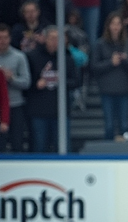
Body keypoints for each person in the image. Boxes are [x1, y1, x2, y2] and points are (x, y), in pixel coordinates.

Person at [25, 26, 80, 152]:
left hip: (60, 111)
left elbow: (76, 81)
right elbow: (26, 82)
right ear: (45, 39)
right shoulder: (32, 57)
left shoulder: (67, 58)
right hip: (38, 111)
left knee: (62, 147)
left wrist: (61, 81)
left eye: (58, 39)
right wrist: (36, 84)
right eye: (52, 38)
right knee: (39, 146)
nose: (55, 42)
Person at [91, 13, 128, 141]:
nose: (116, 27)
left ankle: (127, 152)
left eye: (118, 24)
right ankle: (108, 153)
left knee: (124, 124)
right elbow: (94, 67)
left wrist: (125, 61)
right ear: (108, 26)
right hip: (107, 89)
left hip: (124, 88)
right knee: (109, 125)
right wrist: (110, 63)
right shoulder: (100, 44)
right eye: (113, 24)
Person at [0, 24, 31, 152]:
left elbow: (26, 82)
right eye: (0, 37)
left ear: (10, 38)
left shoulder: (19, 57)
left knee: (17, 141)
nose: (2, 41)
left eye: (5, 37)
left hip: (16, 105)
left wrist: (11, 78)